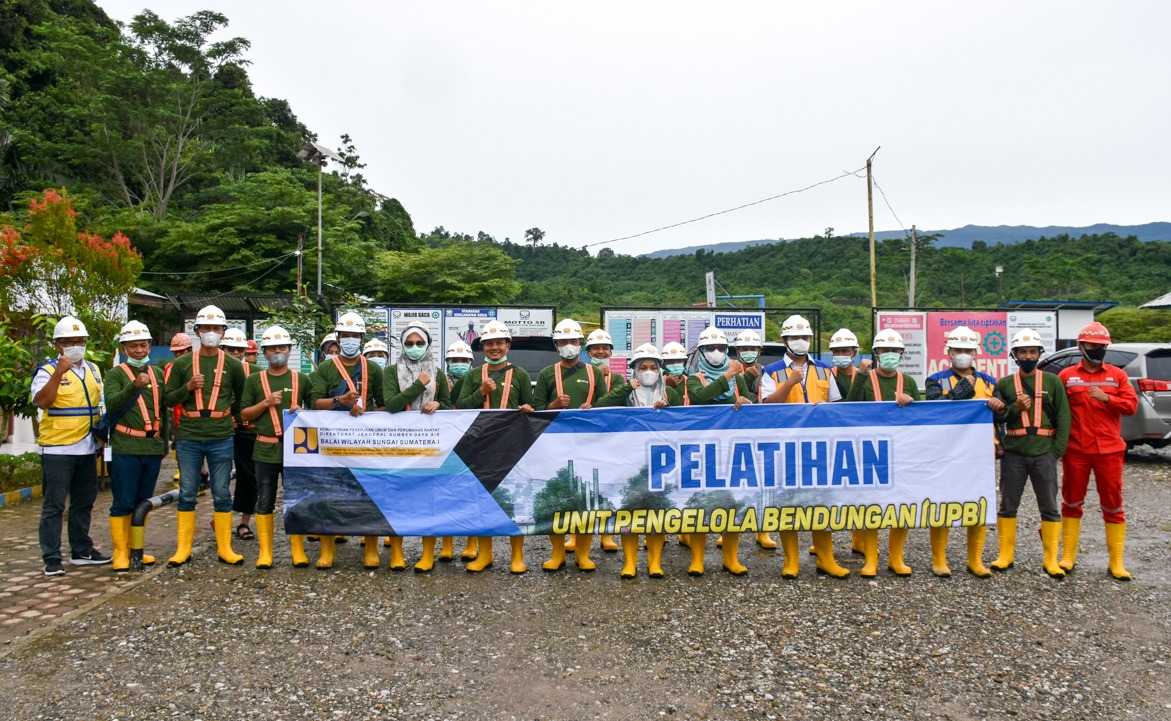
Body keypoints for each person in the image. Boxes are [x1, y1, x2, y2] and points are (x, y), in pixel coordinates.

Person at [761, 315, 847, 579]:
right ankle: (791, 561)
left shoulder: (824, 369)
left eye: (806, 337)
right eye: (796, 337)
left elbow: (834, 406)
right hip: (785, 447)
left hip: (819, 447)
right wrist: (790, 382)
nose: (801, 342)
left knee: (822, 502)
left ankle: (825, 559)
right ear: (785, 340)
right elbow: (766, 404)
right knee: (789, 503)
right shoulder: (772, 371)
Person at [164, 305, 249, 567]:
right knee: (188, 491)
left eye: (216, 328)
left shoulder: (234, 365)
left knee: (222, 492)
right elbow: (167, 399)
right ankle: (183, 549)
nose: (211, 333)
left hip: (221, 435)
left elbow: (240, 399)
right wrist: (187, 388)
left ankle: (225, 548)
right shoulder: (181, 364)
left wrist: (237, 422)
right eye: (206, 328)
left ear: (223, 332)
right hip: (189, 435)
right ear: (196, 331)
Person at [1057, 322, 1138, 580]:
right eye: (1092, 346)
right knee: (1071, 502)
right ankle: (1068, 556)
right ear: (1081, 346)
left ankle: (1116, 562)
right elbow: (1057, 411)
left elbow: (1131, 406)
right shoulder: (1066, 376)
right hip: (1076, 450)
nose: (1098, 350)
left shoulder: (1118, 375)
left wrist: (1108, 398)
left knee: (1113, 506)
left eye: (1102, 346)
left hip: (1110, 451)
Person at [32, 316, 110, 576]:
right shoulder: (46, 371)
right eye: (69, 342)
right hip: (57, 450)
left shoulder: (94, 369)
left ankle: (81, 550)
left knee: (84, 502)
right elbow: (42, 402)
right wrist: (59, 372)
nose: (76, 346)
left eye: (81, 341)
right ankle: (52, 557)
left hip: (87, 448)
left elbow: (99, 405)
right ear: (58, 345)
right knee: (54, 506)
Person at [989, 329, 1071, 579]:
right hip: (1014, 451)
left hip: (1044, 453)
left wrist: (1056, 452)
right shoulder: (1003, 384)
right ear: (1014, 355)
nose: (1028, 356)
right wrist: (1015, 407)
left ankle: (1050, 560)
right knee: (1008, 504)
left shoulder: (1052, 381)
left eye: (1032, 351)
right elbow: (998, 416)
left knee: (1049, 506)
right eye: (1023, 352)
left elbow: (1064, 417)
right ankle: (1005, 555)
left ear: (1039, 353)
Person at [594, 344, 680, 578]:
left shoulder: (669, 393)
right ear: (635, 370)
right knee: (628, 512)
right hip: (629, 462)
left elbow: (685, 424)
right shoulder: (626, 391)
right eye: (643, 367)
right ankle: (630, 563)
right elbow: (600, 407)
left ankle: (655, 563)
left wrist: (668, 408)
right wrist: (624, 389)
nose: (649, 371)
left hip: (660, 462)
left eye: (653, 367)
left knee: (656, 513)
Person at [308, 312, 386, 569]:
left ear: (362, 338)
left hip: (367, 440)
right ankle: (328, 549)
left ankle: (371, 547)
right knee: (329, 493)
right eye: (346, 335)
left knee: (369, 493)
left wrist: (369, 413)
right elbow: (314, 403)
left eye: (355, 335)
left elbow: (384, 406)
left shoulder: (372, 368)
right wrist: (339, 401)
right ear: (338, 338)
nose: (350, 339)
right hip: (333, 442)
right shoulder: (326, 368)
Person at [458, 320, 535, 574]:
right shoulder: (472, 375)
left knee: (516, 500)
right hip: (481, 444)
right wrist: (480, 391)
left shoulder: (520, 374)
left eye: (499, 343)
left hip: (513, 444)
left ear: (507, 345)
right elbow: (460, 408)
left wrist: (526, 408)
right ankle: (485, 554)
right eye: (489, 343)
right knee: (482, 499)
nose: (494, 347)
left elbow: (530, 406)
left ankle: (517, 556)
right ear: (482, 347)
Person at [534, 319, 610, 571]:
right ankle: (557, 553)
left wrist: (594, 408)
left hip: (588, 443)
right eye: (563, 342)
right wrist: (553, 406)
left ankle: (583, 554)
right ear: (556, 345)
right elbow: (534, 410)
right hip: (554, 445)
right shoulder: (547, 373)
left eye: (574, 341)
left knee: (586, 499)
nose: (569, 346)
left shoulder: (594, 372)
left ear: (581, 344)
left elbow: (605, 407)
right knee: (556, 500)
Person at [924, 326, 1000, 578]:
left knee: (978, 505)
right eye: (958, 350)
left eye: (967, 350)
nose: (963, 354)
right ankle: (939, 560)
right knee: (942, 504)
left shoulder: (989, 382)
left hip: (979, 455)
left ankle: (975, 560)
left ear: (975, 353)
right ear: (949, 352)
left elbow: (1003, 415)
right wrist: (963, 390)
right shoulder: (935, 380)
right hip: (945, 452)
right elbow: (935, 407)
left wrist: (1001, 407)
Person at [846, 328, 919, 578]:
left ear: (901, 353)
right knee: (871, 505)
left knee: (902, 505)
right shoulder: (866, 376)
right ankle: (871, 558)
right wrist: (861, 376)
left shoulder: (907, 381)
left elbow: (921, 416)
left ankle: (896, 558)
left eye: (895, 350)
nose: (890, 354)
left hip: (901, 451)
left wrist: (912, 400)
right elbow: (850, 406)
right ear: (876, 353)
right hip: (870, 450)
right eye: (885, 350)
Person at [239, 326, 312, 569]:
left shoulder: (301, 379)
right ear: (264, 352)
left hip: (295, 450)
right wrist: (266, 403)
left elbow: (316, 414)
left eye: (282, 347)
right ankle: (266, 552)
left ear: (289, 350)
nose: (277, 352)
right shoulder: (254, 380)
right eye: (272, 348)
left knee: (296, 500)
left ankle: (298, 551)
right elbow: (244, 413)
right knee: (265, 500)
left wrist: (303, 413)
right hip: (265, 449)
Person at [383, 324, 453, 572]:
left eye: (419, 343)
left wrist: (437, 404)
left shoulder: (439, 373)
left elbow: (447, 405)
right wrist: (419, 386)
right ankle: (397, 553)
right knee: (396, 497)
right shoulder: (391, 372)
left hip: (431, 444)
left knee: (430, 499)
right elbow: (391, 404)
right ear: (402, 346)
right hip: (399, 443)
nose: (414, 347)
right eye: (409, 343)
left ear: (428, 344)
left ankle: (427, 555)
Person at [683, 327, 752, 577]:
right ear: (701, 352)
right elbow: (701, 398)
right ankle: (698, 559)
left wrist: (747, 400)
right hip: (701, 450)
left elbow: (749, 397)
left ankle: (730, 559)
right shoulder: (694, 377)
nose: (716, 352)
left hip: (732, 449)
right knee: (700, 503)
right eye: (710, 348)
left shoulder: (738, 377)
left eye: (720, 348)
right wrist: (728, 374)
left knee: (731, 503)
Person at [105, 321, 168, 572]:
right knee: (123, 501)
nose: (139, 350)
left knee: (143, 502)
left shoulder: (158, 374)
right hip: (126, 447)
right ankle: (120, 551)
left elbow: (162, 408)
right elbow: (111, 404)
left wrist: (164, 441)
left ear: (150, 345)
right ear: (124, 348)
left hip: (151, 447)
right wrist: (135, 385)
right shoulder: (116, 374)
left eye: (143, 345)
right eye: (133, 346)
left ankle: (137, 550)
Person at [826, 327, 870, 557]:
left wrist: (862, 375)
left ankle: (859, 538)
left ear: (854, 352)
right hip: (833, 439)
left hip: (861, 439)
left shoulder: (866, 375)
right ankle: (825, 542)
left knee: (861, 491)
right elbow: (846, 405)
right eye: (837, 350)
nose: (841, 354)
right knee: (830, 493)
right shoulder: (827, 375)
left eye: (845, 350)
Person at [220, 329, 257, 542]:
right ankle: (221, 520)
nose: (235, 352)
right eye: (230, 349)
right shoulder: (212, 372)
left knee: (248, 478)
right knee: (220, 479)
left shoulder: (256, 372)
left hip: (247, 433)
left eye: (240, 349)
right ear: (222, 349)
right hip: (221, 433)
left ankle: (244, 522)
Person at [444, 340, 475, 563]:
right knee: (445, 494)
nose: (459, 364)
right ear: (447, 362)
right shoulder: (439, 381)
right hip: (446, 442)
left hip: (471, 440)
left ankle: (472, 543)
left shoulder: (477, 380)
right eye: (455, 360)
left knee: (471, 494)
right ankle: (446, 545)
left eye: (464, 360)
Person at [166, 333, 193, 485]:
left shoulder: (197, 365)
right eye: (176, 352)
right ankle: (181, 470)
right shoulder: (170, 367)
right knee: (176, 442)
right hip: (175, 411)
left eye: (182, 351)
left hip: (192, 412)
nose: (179, 354)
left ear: (189, 349)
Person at [585, 329, 619, 394]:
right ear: (588, 353)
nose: (601, 351)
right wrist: (598, 373)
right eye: (596, 348)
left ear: (610, 353)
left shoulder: (616, 378)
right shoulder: (581, 374)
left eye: (605, 348)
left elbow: (616, 400)